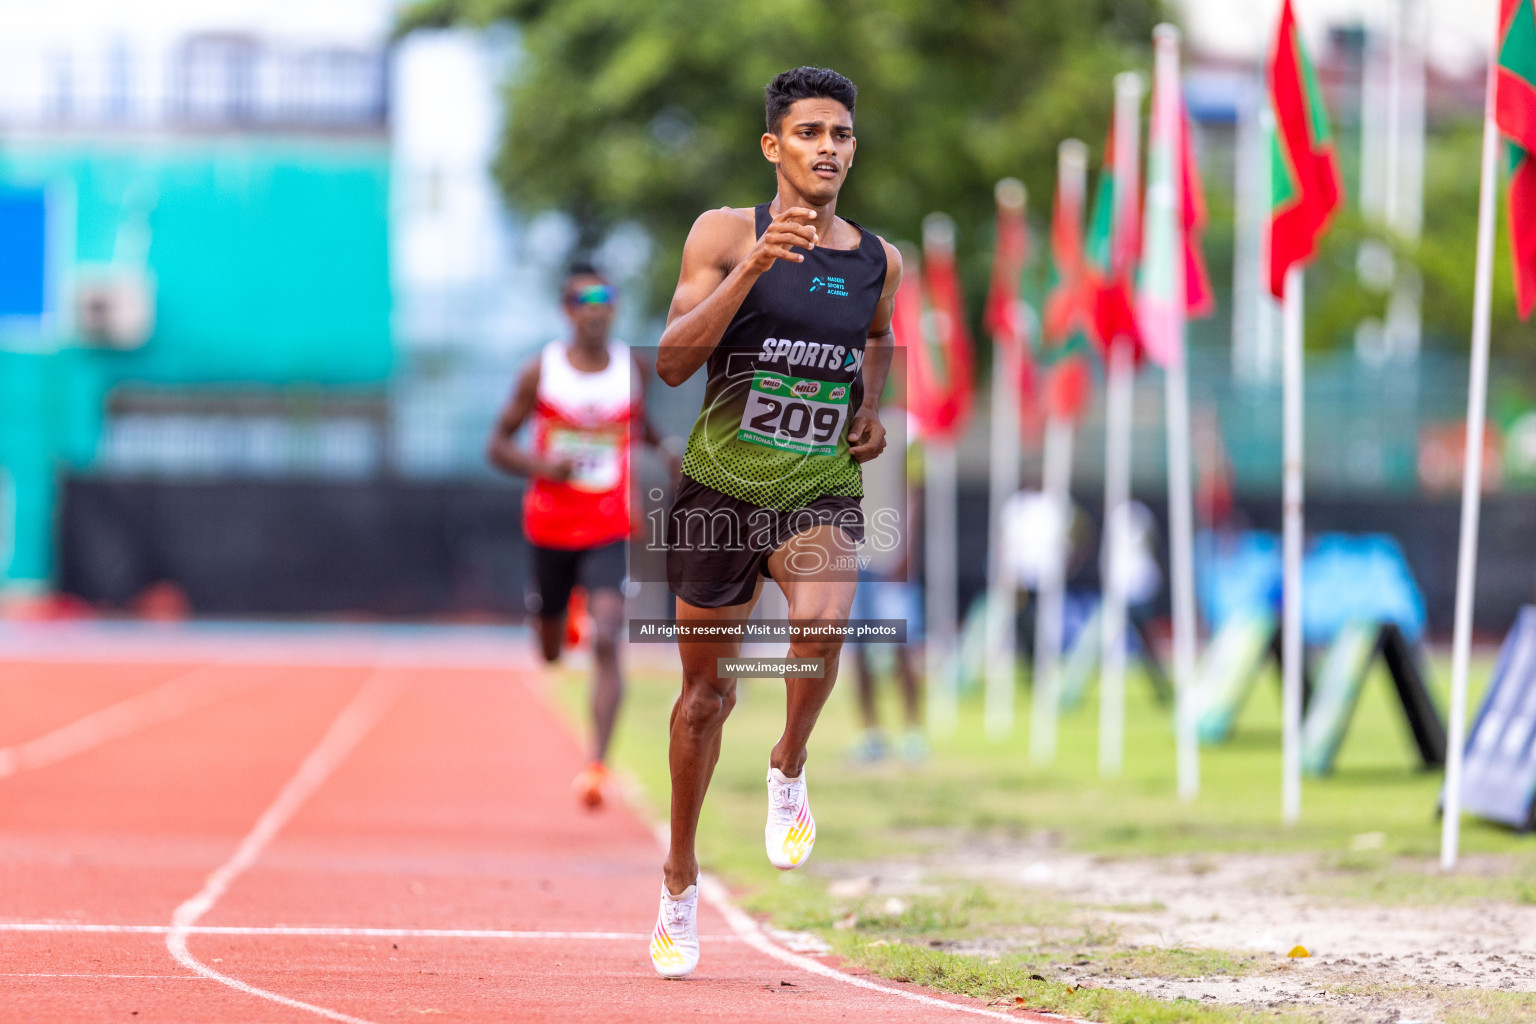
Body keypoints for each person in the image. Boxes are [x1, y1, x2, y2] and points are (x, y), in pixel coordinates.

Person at [647, 66, 901, 980]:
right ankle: (679, 876)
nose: (826, 149)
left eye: (839, 135)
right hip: (719, 490)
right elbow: (673, 363)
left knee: (825, 624)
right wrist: (755, 267)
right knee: (703, 699)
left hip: (816, 486)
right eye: (808, 134)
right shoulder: (723, 234)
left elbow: (875, 336)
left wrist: (869, 407)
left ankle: (788, 764)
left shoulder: (879, 259)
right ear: (773, 147)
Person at [486, 263, 666, 810]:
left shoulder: (633, 368)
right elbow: (497, 444)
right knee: (548, 652)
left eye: (605, 297)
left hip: (608, 523)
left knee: (610, 635)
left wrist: (667, 454)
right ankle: (557, 619)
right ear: (567, 310)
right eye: (583, 298)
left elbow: (643, 427)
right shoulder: (540, 372)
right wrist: (541, 464)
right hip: (550, 524)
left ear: (613, 307)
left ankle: (596, 764)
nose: (595, 307)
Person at [846, 407, 925, 765]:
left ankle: (911, 731)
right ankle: (871, 733)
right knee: (856, 648)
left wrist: (906, 550)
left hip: (890, 554)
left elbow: (914, 492)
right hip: (851, 553)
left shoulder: (908, 429)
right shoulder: (841, 421)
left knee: (901, 644)